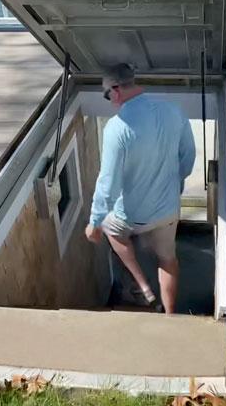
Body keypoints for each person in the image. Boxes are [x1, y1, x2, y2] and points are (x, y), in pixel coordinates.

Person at [84, 63, 196, 314]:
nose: (108, 99)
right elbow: (188, 157)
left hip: (133, 215)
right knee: (168, 259)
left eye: (106, 94)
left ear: (115, 90)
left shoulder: (117, 127)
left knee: (111, 229)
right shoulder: (173, 111)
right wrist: (173, 182)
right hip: (168, 210)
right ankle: (170, 314)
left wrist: (94, 222)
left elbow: (108, 183)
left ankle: (144, 286)